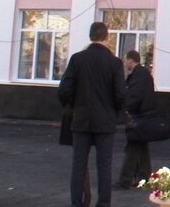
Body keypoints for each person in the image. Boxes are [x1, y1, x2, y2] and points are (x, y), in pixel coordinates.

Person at [59, 22, 126, 207]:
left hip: (81, 120)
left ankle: (76, 203)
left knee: (78, 165)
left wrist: (72, 105)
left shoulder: (77, 59)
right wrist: (115, 112)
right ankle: (103, 203)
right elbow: (121, 94)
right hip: (105, 122)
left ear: (90, 37)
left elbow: (65, 89)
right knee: (104, 166)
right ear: (107, 37)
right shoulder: (115, 63)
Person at [115, 50, 156, 189]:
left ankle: (125, 180)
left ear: (130, 60)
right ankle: (145, 176)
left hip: (139, 117)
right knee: (141, 146)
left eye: (125, 60)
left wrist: (127, 109)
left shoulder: (138, 75)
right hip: (144, 116)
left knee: (132, 147)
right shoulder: (144, 74)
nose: (124, 63)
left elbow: (134, 96)